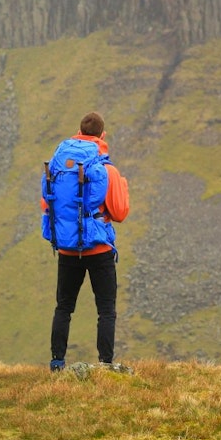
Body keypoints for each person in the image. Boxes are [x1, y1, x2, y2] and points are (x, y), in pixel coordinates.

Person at [43, 111, 130, 371]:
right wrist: (121, 185)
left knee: (64, 307)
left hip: (68, 250)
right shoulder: (106, 169)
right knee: (106, 310)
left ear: (79, 132)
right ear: (102, 136)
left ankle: (57, 362)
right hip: (99, 249)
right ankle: (105, 364)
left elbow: (47, 204)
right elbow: (120, 212)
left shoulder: (60, 166)